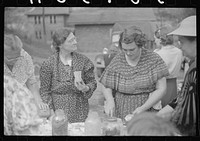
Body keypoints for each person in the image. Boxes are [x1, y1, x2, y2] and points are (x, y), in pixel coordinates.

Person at [99, 26, 169, 120]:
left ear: (140, 45)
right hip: (121, 110)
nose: (128, 53)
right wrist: (110, 100)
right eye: (125, 49)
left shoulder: (153, 59)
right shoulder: (118, 60)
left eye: (132, 49)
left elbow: (161, 88)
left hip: (147, 110)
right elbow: (105, 84)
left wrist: (143, 108)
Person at [39, 28, 97, 123]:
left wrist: (85, 88)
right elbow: (45, 91)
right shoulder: (49, 63)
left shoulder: (83, 61)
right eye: (71, 40)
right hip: (58, 111)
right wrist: (52, 113)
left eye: (75, 39)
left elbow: (92, 82)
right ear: (60, 44)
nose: (75, 42)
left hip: (80, 110)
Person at [157, 15, 197, 136]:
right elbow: (182, 98)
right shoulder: (192, 64)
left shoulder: (195, 71)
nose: (180, 46)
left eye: (182, 42)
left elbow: (189, 116)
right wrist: (158, 117)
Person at [4, 34, 50, 135]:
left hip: (20, 104)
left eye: (17, 56)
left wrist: (39, 102)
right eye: (10, 59)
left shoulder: (25, 57)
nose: (15, 60)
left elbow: (32, 84)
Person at [153, 25, 183, 108]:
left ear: (160, 39)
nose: (155, 41)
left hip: (161, 84)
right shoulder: (179, 52)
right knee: (171, 108)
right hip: (173, 84)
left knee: (161, 109)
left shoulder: (157, 53)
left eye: (155, 39)